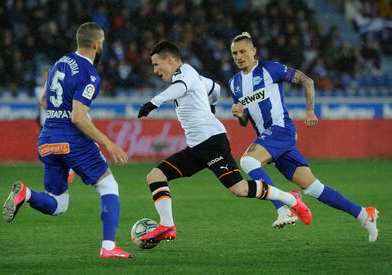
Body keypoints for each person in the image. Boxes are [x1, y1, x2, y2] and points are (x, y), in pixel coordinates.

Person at [137, 41, 312, 244]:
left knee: (239, 189)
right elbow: (215, 88)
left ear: (170, 60)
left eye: (157, 64)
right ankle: (167, 226)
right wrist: (211, 107)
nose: (155, 70)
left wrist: (153, 103)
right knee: (156, 176)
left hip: (212, 143)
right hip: (196, 147)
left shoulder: (184, 75)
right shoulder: (193, 76)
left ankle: (291, 199)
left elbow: (181, 88)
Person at [228, 32, 378, 241]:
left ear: (253, 51)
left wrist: (310, 111)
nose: (238, 56)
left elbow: (307, 81)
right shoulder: (234, 83)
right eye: (234, 53)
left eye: (243, 51)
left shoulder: (270, 69)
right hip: (270, 139)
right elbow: (245, 120)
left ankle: (284, 208)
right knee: (314, 188)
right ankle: (365, 214)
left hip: (281, 130)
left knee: (248, 160)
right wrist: (240, 115)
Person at [2, 22, 132, 258]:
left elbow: (43, 101)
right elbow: (79, 118)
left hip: (47, 139)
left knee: (58, 204)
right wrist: (108, 143)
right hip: (71, 139)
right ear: (96, 44)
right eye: (102, 44)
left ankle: (26, 194)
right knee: (108, 185)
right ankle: (109, 248)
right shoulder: (89, 74)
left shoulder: (59, 63)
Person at [34, 65, 75, 184]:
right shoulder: (38, 90)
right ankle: (53, 171)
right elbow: (39, 107)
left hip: (57, 122)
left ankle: (69, 170)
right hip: (44, 124)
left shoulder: (60, 88)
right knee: (46, 151)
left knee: (62, 147)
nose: (45, 76)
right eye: (44, 74)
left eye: (47, 73)